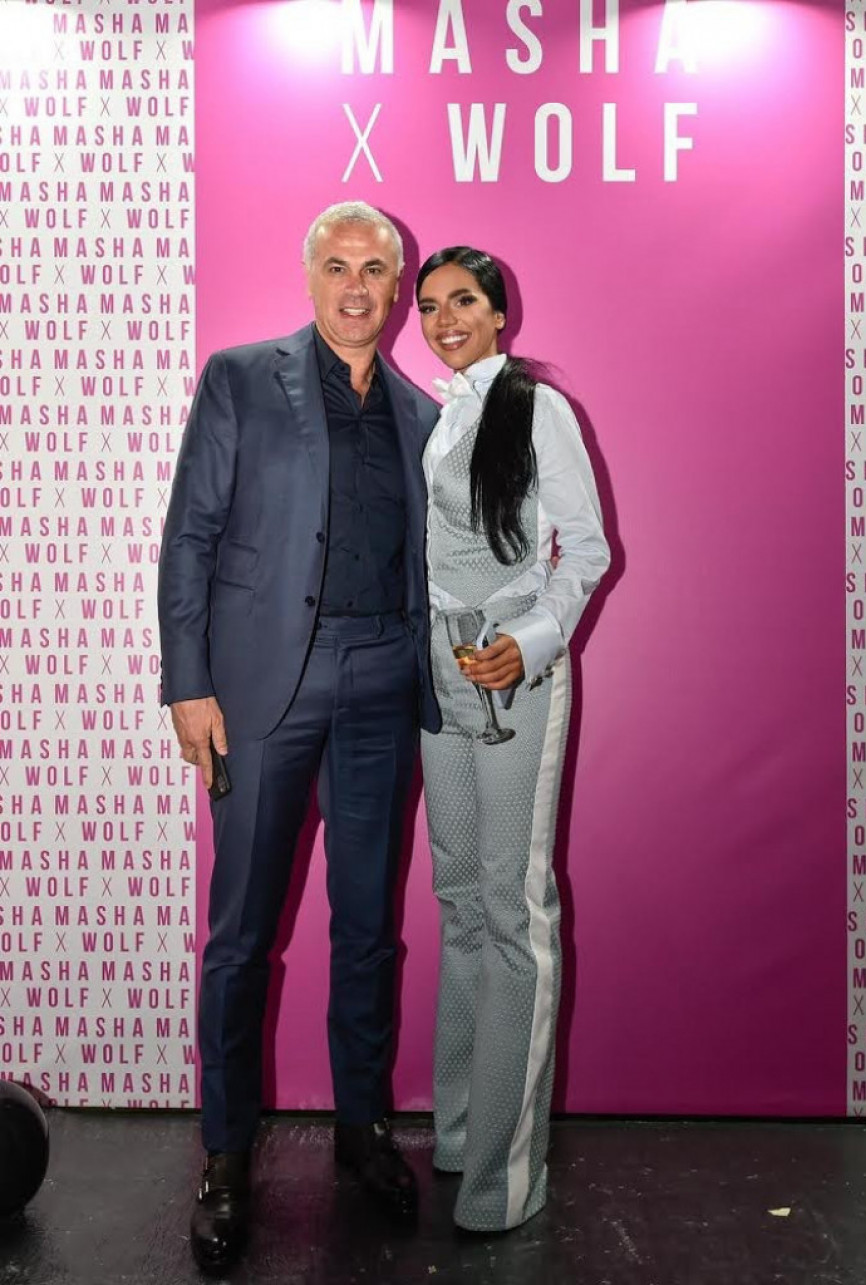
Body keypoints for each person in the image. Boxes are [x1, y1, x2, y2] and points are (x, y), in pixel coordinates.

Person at [158, 201, 440, 1274]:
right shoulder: (241, 378)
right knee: (241, 934)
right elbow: (190, 535)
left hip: (382, 683)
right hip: (263, 690)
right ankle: (227, 1155)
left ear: (399, 286)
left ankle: (362, 1133)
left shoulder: (420, 413)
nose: (356, 285)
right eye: (337, 265)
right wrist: (190, 683)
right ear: (311, 273)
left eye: (375, 268)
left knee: (367, 929)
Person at [415, 247, 610, 1233]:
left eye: (464, 300)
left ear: (500, 313)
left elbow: (589, 548)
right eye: (429, 304)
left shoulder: (538, 409)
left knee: (511, 907)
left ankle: (506, 1173)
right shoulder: (434, 414)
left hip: (513, 670)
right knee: (458, 900)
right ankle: (458, 1136)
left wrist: (529, 643)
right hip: (438, 670)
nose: (444, 317)